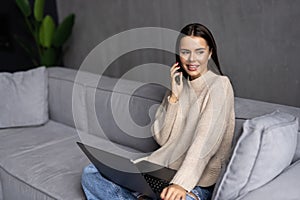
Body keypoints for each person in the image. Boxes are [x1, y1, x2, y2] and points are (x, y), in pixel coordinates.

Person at [81, 23, 235, 200]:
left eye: (199, 51)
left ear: (210, 53)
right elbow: (162, 138)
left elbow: (205, 143)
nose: (192, 59)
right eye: (185, 52)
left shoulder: (220, 85)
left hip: (195, 182)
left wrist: (181, 184)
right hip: (160, 172)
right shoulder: (177, 86)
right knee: (90, 173)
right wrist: (174, 98)